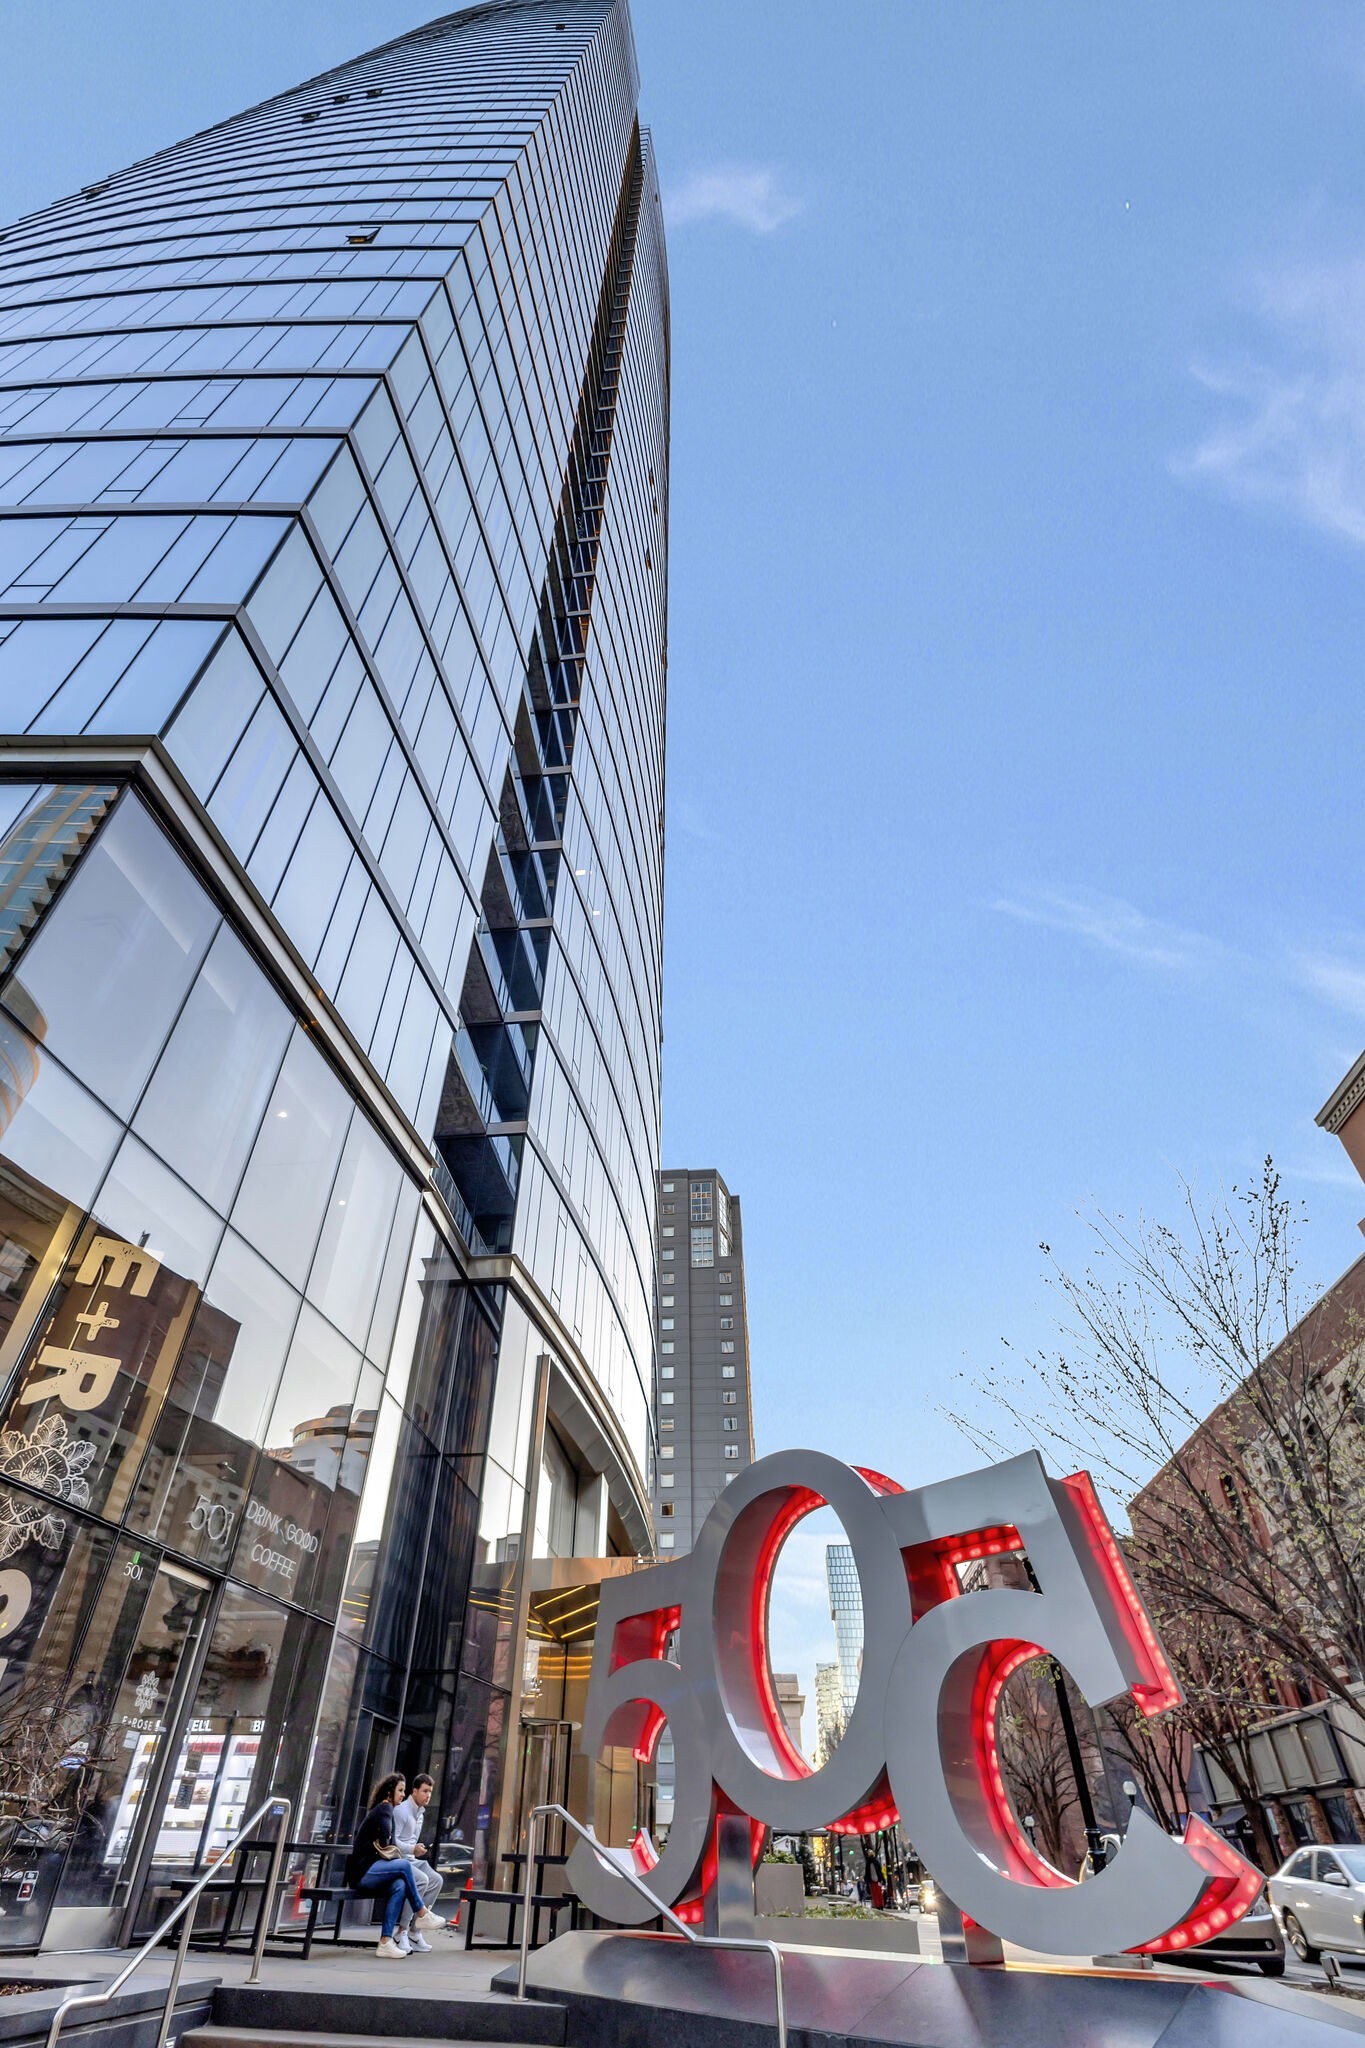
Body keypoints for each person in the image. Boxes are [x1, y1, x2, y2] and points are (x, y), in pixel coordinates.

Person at [344, 1771, 446, 1960]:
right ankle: (422, 1912)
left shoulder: (390, 1811)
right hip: (363, 1872)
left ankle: (386, 1942)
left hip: (376, 1869)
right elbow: (386, 1841)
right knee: (404, 1867)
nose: (402, 1794)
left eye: (403, 1791)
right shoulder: (384, 1809)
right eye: (400, 1790)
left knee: (399, 1886)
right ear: (389, 1792)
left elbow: (388, 1842)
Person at [392, 1772, 444, 1952]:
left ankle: (415, 1931)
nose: (428, 1795)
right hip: (398, 1860)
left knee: (437, 1880)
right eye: (424, 1791)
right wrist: (411, 1848)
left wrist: (415, 1848)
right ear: (414, 1791)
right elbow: (392, 1841)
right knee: (422, 1880)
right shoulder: (401, 1811)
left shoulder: (420, 1814)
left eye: (430, 1792)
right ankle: (402, 1931)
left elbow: (410, 1841)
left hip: (412, 1860)